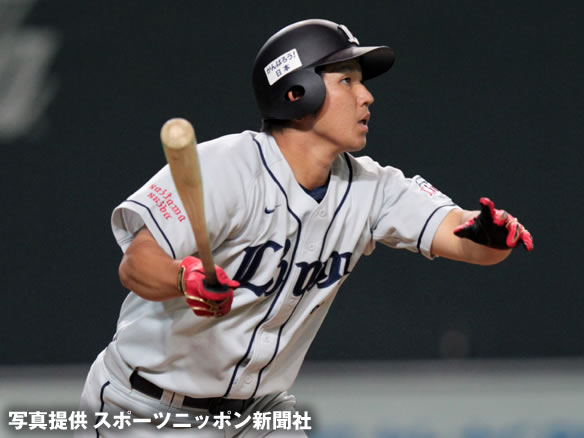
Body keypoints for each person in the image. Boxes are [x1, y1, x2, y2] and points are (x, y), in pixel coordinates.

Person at [78, 18, 533, 437]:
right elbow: (136, 264)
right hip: (146, 407)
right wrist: (185, 278)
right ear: (297, 91)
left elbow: (465, 237)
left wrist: (490, 235)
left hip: (260, 414)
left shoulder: (371, 187)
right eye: (346, 80)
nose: (366, 96)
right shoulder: (226, 167)